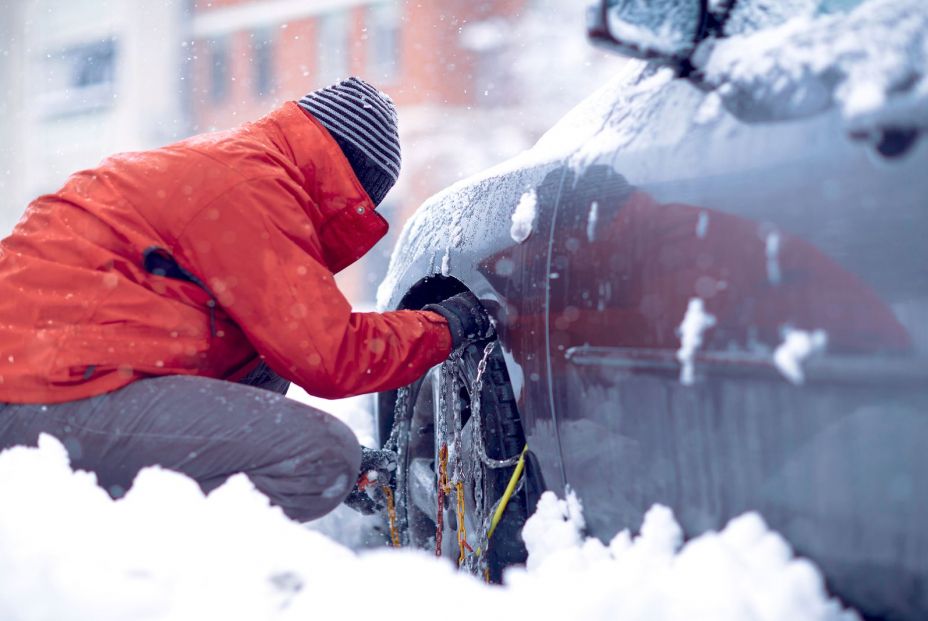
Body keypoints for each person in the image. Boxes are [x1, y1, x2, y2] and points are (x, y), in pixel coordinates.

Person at [0, 77, 492, 522]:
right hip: (39, 398)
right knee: (323, 458)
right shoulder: (254, 190)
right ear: (350, 185)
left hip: (46, 383)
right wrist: (448, 325)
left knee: (268, 352)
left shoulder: (231, 167)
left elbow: (291, 349)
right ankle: (162, 584)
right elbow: (334, 358)